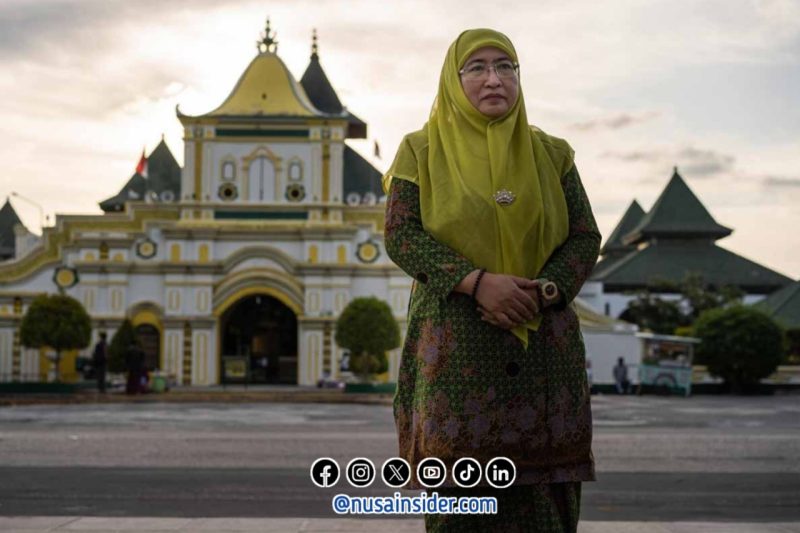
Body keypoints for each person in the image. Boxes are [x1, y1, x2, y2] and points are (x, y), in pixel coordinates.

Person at [383, 28, 601, 532]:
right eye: (476, 67)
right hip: (457, 353)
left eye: (506, 67)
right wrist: (475, 281)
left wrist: (542, 292)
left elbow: (585, 236)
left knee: (545, 507)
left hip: (543, 351)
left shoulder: (553, 154)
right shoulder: (420, 150)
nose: (493, 79)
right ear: (453, 80)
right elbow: (400, 234)